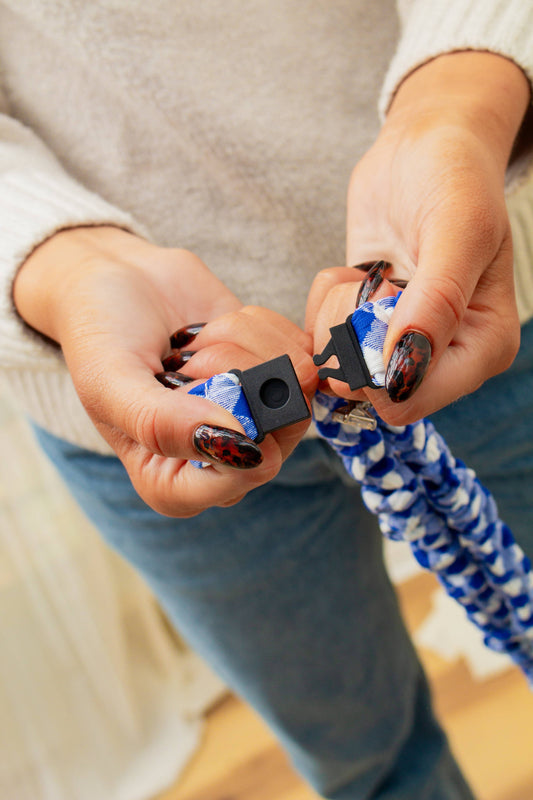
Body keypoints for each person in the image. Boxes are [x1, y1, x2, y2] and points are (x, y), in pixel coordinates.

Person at [1, 1, 533, 797]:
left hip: (466, 295)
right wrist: (68, 270)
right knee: (370, 766)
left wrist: (456, 104)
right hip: (143, 407)